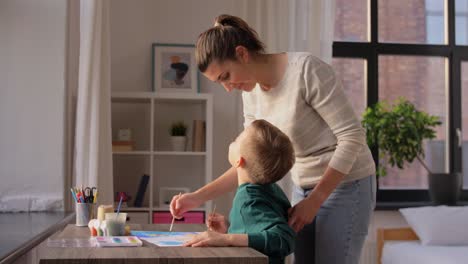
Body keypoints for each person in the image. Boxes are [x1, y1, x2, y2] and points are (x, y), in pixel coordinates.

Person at [171, 14, 376, 264]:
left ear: (242, 53)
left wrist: (316, 200)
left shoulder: (306, 70)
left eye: (225, 76)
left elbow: (352, 136)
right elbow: (248, 162)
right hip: (303, 187)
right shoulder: (251, 94)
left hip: (347, 183)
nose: (227, 87)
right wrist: (196, 198)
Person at [184, 119, 296, 264]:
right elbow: (258, 227)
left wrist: (227, 239)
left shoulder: (249, 200)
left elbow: (284, 239)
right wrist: (231, 229)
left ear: (239, 161)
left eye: (237, 139)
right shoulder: (269, 188)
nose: (233, 141)